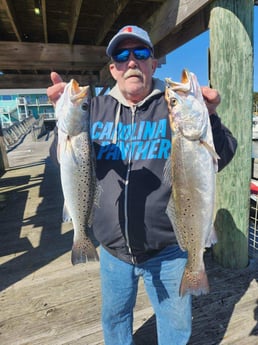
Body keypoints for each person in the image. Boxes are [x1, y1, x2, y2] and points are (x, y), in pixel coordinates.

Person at [47, 25, 237, 345]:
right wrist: (61, 117)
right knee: (115, 318)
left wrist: (211, 117)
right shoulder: (94, 110)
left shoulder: (173, 103)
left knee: (175, 325)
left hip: (170, 251)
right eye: (122, 55)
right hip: (112, 251)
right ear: (113, 69)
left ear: (153, 63)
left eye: (141, 53)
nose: (131, 61)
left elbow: (226, 153)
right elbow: (63, 160)